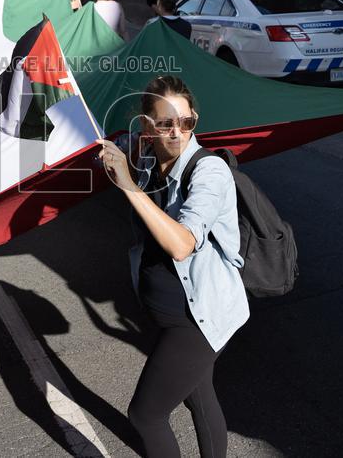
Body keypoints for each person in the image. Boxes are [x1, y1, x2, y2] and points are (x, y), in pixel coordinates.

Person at [96, 76, 248, 458]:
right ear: (147, 126)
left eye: (187, 122)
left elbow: (182, 245)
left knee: (145, 416)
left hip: (198, 318)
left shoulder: (209, 171)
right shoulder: (149, 158)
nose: (177, 132)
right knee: (198, 397)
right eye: (165, 124)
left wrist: (129, 187)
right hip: (169, 313)